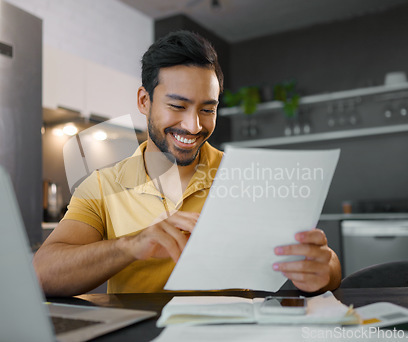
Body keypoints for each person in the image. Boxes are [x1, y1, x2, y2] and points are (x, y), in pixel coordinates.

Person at [33, 30, 341, 296]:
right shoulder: (100, 186)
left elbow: (326, 264)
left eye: (207, 110)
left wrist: (324, 267)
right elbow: (43, 273)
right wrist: (130, 245)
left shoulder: (246, 176)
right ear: (144, 101)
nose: (193, 126)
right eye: (177, 106)